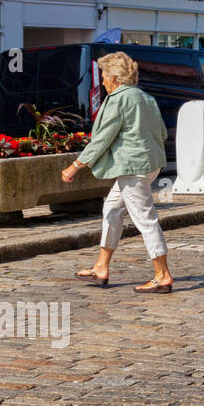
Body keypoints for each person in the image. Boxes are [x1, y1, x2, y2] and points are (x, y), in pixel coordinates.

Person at [64, 51, 174, 294]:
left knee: (145, 219)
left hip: (132, 168)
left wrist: (76, 165)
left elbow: (102, 138)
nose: (102, 81)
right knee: (112, 209)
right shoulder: (146, 98)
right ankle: (101, 267)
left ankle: (162, 275)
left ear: (114, 77)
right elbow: (162, 134)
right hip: (150, 164)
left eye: (103, 75)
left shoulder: (117, 100)